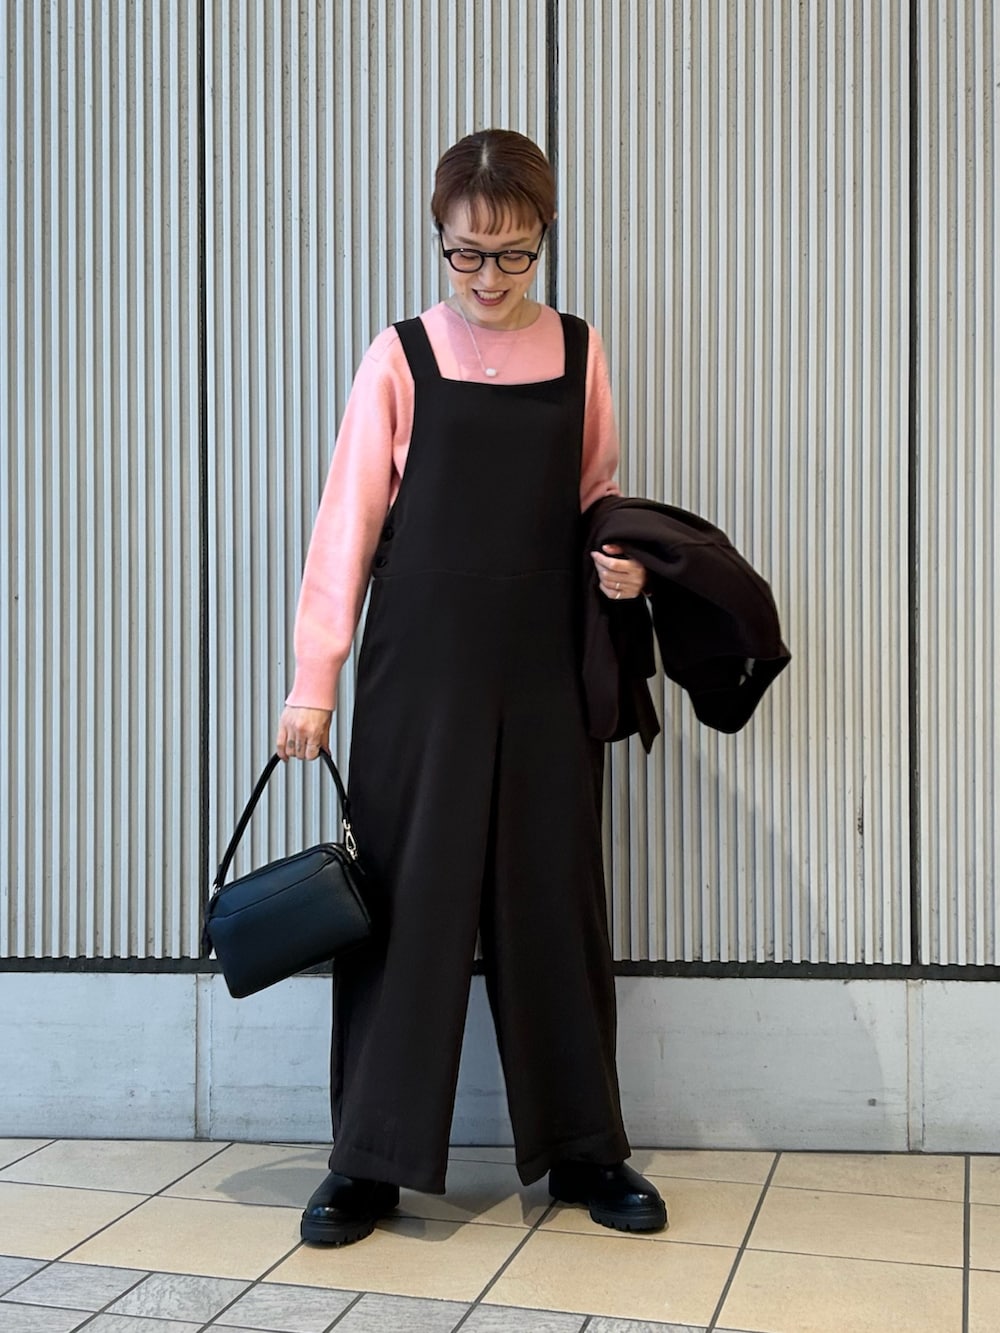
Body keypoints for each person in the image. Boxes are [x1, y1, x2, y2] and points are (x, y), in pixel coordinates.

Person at [275, 129, 667, 1247]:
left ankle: (586, 1149)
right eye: (466, 253)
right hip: (421, 670)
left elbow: (595, 497)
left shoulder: (580, 350)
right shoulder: (400, 355)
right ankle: (367, 1162)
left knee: (555, 905)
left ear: (545, 237)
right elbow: (346, 525)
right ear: (440, 240)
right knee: (402, 907)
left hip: (546, 666)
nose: (489, 278)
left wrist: (624, 565)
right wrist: (313, 681)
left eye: (512, 253)